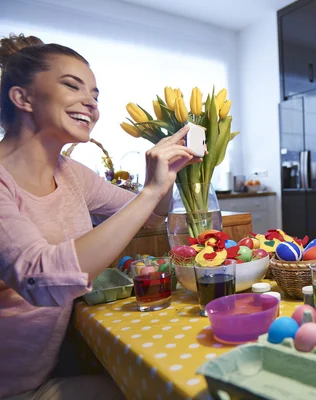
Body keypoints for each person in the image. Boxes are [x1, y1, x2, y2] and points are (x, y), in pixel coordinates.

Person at [0, 34, 199, 399]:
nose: (90, 104)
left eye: (95, 95)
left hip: (39, 380)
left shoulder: (71, 174)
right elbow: (42, 279)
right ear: (22, 97)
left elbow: (153, 216)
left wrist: (164, 179)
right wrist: (149, 192)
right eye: (72, 86)